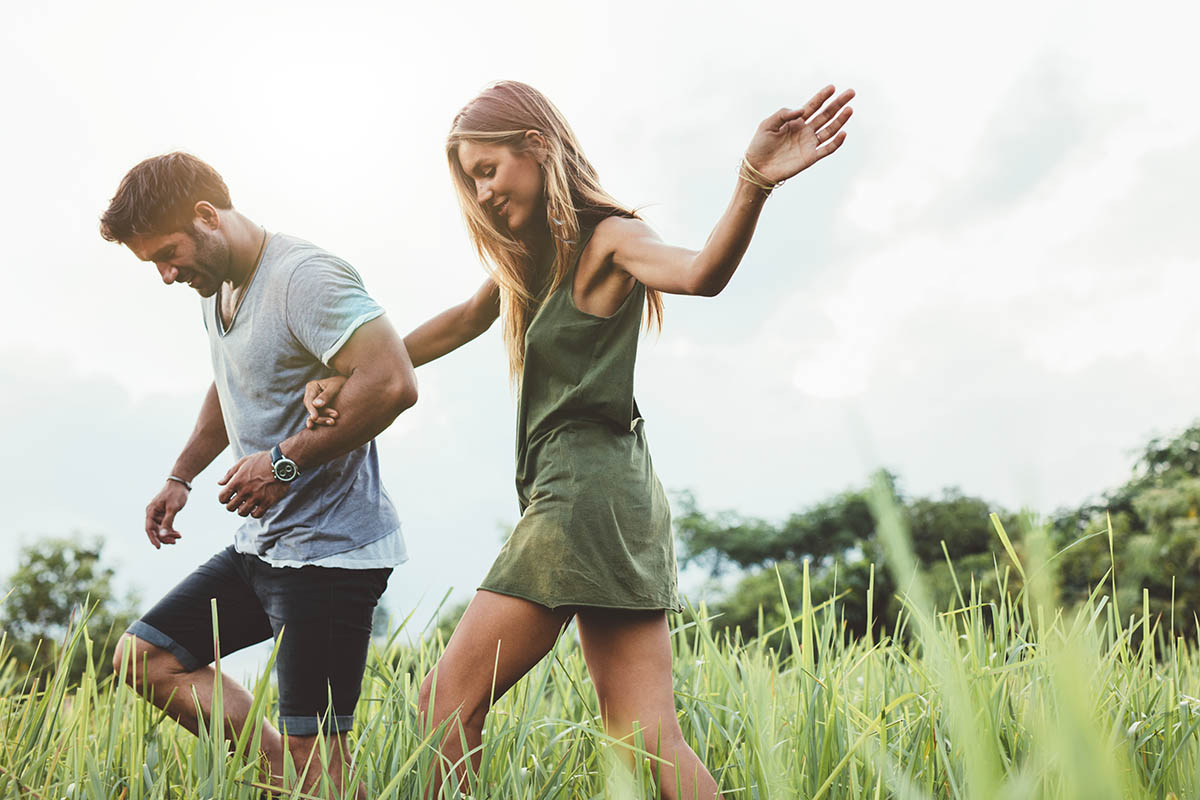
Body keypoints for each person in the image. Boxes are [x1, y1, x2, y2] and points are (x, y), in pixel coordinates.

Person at [304, 80, 853, 798]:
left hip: (581, 498)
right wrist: (352, 369)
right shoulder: (532, 260)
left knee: (445, 705)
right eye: (473, 183)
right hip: (618, 500)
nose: (484, 194)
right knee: (646, 737)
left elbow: (699, 273)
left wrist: (752, 183)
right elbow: (459, 323)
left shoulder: (609, 239)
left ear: (535, 147)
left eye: (488, 171)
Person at [100, 152, 418, 798]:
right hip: (265, 547)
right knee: (145, 658)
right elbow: (231, 383)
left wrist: (283, 461)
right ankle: (293, 779)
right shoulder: (215, 286)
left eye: (168, 253)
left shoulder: (305, 278)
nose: (165, 275)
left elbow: (392, 381)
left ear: (207, 215)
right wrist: (181, 476)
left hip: (332, 554)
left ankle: (310, 779)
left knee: (317, 753)